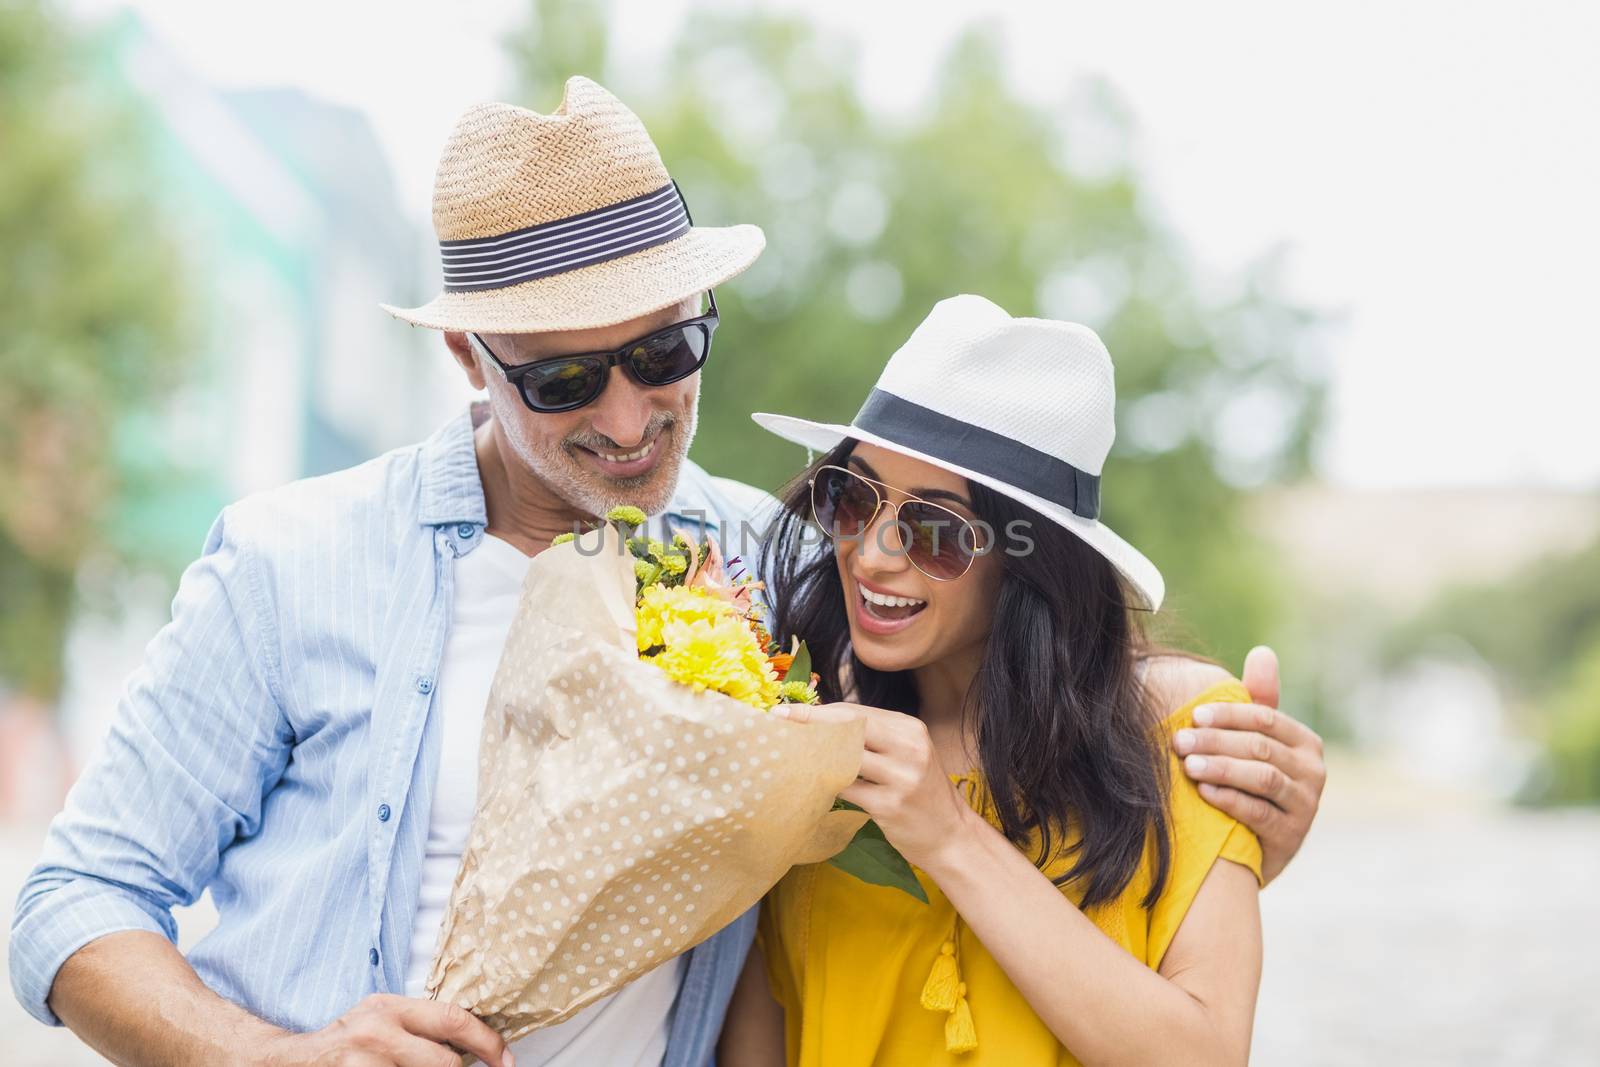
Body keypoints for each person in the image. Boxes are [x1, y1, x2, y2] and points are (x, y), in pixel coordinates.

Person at [8, 80, 1319, 1067]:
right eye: (567, 378)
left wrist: (1234, 777)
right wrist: (277, 1057)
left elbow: (1005, 662)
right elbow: (71, 904)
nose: (632, 414)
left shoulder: (779, 564)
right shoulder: (293, 565)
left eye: (667, 348)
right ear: (471, 356)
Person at [717, 295, 1316, 1066]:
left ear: (1030, 566)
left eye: (935, 530)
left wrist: (949, 836)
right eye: (851, 497)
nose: (870, 555)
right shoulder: (802, 733)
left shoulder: (1186, 733)